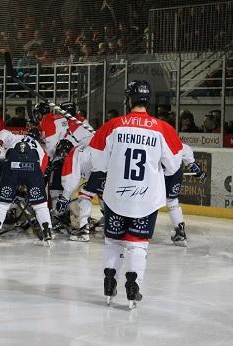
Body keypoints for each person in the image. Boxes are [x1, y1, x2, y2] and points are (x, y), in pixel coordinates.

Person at [88, 80, 183, 309]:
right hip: (146, 198)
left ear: (128, 99)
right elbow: (173, 165)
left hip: (116, 196)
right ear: (147, 100)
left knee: (113, 242)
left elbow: (97, 162)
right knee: (137, 244)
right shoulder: (163, 128)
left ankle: (109, 282)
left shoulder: (113, 126)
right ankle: (134, 285)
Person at [0, 129, 51, 245]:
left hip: (11, 166)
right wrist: (28, 187)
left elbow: (3, 132)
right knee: (41, 206)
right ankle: (47, 232)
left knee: (2, 204)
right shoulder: (41, 149)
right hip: (32, 168)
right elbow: (40, 172)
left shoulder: (16, 137)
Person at [164, 144, 206, 247]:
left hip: (155, 173)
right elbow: (189, 158)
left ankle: (135, 227)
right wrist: (197, 170)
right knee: (172, 201)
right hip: (173, 174)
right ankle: (179, 232)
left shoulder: (155, 138)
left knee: (147, 199)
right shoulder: (178, 143)